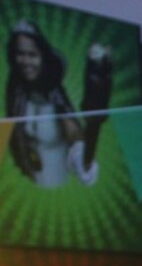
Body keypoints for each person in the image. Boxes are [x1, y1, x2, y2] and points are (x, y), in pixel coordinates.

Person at [5, 18, 112, 188]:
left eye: (32, 55)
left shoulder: (54, 93)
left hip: (58, 186)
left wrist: (80, 153)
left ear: (43, 56)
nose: (25, 62)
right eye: (20, 54)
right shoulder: (15, 89)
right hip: (27, 183)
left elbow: (72, 130)